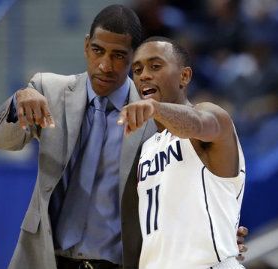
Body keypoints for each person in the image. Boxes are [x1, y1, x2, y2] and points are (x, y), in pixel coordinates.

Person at [0, 5, 247, 269]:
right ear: (87, 46)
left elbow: (201, 135)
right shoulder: (49, 90)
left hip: (118, 262)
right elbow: (0, 140)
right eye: (98, 50)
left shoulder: (156, 114)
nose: (105, 65)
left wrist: (220, 232)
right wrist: (19, 99)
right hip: (48, 258)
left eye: (119, 56)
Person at [118, 36, 246, 268]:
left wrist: (155, 108)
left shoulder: (212, 116)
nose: (144, 75)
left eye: (155, 66)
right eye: (137, 70)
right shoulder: (146, 148)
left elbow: (196, 123)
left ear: (184, 76)